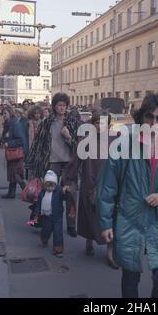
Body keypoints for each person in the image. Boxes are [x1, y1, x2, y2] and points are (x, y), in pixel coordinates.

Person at [97, 93, 158, 298]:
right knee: (130, 278)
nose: (154, 123)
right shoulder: (123, 146)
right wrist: (105, 223)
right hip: (130, 219)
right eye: (150, 117)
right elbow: (107, 187)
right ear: (142, 118)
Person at [63, 108, 119, 269]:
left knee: (111, 216)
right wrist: (68, 180)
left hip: (110, 185)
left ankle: (110, 252)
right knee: (90, 216)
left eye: (103, 122)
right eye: (96, 122)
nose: (99, 126)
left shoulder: (115, 140)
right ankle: (89, 241)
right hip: (90, 182)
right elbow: (75, 162)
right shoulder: (85, 141)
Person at [27, 93, 78, 237]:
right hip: (52, 162)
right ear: (54, 107)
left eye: (64, 105)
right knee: (49, 193)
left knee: (71, 194)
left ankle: (71, 225)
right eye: (59, 105)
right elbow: (38, 144)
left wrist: (68, 137)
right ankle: (46, 221)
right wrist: (34, 164)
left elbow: (79, 145)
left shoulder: (72, 122)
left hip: (69, 163)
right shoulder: (47, 122)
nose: (62, 108)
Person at [33, 170, 72, 258]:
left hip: (57, 217)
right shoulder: (42, 193)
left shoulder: (59, 191)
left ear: (56, 184)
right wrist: (36, 215)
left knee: (58, 233)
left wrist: (66, 191)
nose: (50, 188)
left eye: (52, 186)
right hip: (46, 216)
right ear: (44, 185)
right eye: (47, 186)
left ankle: (58, 249)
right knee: (46, 230)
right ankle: (44, 239)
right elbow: (39, 205)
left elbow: (64, 197)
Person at [1, 106, 28, 199]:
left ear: (10, 113)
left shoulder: (14, 124)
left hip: (17, 152)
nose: (4, 115)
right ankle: (11, 192)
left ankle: (27, 191)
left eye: (5, 113)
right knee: (13, 173)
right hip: (12, 153)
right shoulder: (8, 124)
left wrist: (9, 143)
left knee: (15, 174)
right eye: (3, 113)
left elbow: (20, 139)